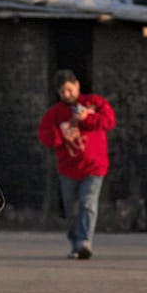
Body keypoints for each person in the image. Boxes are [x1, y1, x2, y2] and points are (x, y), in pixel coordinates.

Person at [37, 70, 116, 259]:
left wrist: (87, 119)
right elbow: (45, 136)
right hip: (68, 168)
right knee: (72, 208)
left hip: (94, 166)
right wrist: (61, 135)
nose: (67, 94)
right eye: (62, 91)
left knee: (88, 203)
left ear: (77, 85)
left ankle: (84, 241)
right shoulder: (54, 114)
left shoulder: (94, 103)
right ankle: (75, 243)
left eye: (70, 90)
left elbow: (109, 121)